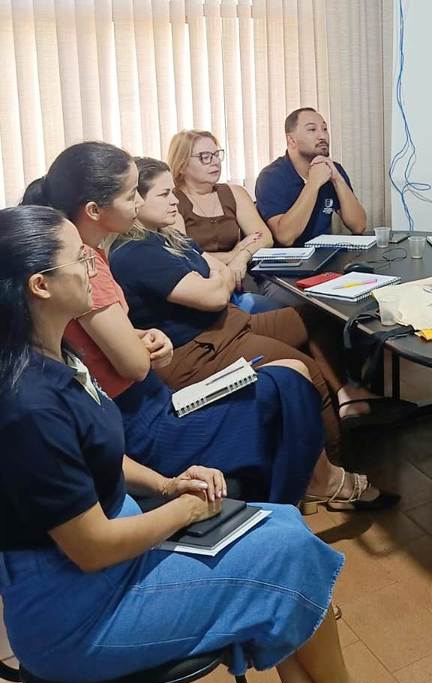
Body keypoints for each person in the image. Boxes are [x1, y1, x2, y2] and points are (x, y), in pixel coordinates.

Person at [0, 204, 424, 683]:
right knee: (284, 552)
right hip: (76, 611)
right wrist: (185, 513)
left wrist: (171, 484)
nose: (91, 263)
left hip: (110, 551)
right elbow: (90, 547)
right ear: (40, 286)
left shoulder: (57, 354)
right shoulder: (27, 403)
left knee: (281, 527)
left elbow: (105, 456)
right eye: (76, 257)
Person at [24, 142, 393, 511]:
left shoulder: (99, 254)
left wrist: (143, 337)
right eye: (131, 195)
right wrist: (149, 345)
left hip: (152, 391)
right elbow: (133, 364)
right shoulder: (89, 264)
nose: (138, 204)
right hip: (145, 419)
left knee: (292, 370)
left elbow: (94, 343)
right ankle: (318, 484)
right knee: (293, 379)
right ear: (94, 210)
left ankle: (315, 478)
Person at [111, 157, 406, 440]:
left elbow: (219, 272)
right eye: (164, 195)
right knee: (306, 372)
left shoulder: (168, 237)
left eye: (173, 193)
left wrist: (223, 272)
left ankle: (344, 397)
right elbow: (214, 294)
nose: (175, 200)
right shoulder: (137, 251)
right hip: (201, 348)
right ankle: (335, 476)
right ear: (136, 201)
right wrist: (223, 274)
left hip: (228, 324)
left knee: (319, 314)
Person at [167, 128, 281, 314]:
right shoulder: (172, 201)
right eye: (204, 156)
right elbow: (184, 256)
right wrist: (232, 255)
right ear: (181, 165)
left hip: (241, 280)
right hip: (201, 289)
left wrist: (241, 257)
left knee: (287, 309)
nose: (215, 162)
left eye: (216, 154)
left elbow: (264, 237)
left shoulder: (235, 192)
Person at [255, 107, 367, 248]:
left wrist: (337, 179)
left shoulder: (332, 169)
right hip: (289, 263)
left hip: (326, 258)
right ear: (291, 140)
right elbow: (285, 237)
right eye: (312, 130)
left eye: (324, 129)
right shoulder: (270, 177)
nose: (322, 136)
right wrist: (313, 183)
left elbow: (359, 226)